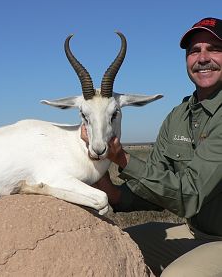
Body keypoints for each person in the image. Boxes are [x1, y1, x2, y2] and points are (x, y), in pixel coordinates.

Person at [81, 17, 222, 276]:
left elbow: (189, 196)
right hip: (195, 232)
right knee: (113, 246)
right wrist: (108, 186)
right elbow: (157, 189)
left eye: (214, 49)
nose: (203, 58)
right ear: (187, 60)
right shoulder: (178, 116)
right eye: (194, 51)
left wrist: (121, 158)